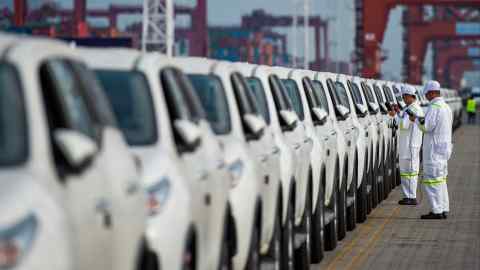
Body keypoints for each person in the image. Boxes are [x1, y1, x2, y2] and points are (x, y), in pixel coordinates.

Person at [410, 80, 453, 220]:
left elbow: (426, 127)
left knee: (432, 181)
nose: (426, 97)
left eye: (427, 94)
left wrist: (416, 120)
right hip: (444, 148)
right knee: (441, 180)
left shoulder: (434, 108)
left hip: (434, 150)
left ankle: (436, 210)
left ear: (433, 92)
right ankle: (444, 208)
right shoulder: (446, 107)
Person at [389, 85, 423, 206]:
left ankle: (411, 196)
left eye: (404, 97)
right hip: (407, 146)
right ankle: (408, 196)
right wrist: (398, 113)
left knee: (411, 172)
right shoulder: (409, 108)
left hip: (410, 146)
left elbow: (404, 125)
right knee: (406, 172)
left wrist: (394, 115)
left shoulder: (413, 109)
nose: (403, 99)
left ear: (410, 96)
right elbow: (403, 121)